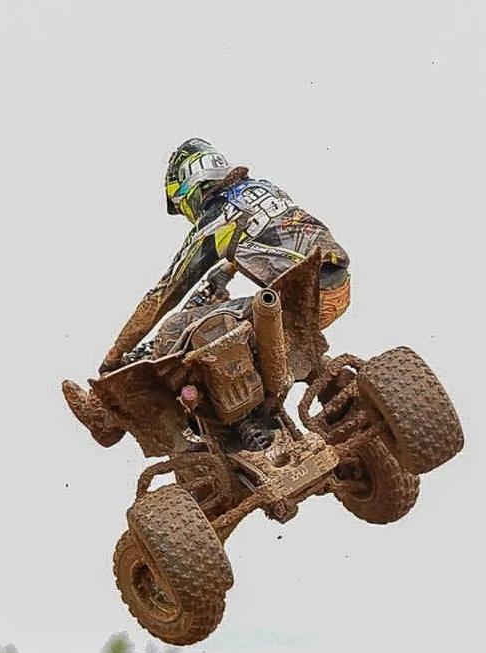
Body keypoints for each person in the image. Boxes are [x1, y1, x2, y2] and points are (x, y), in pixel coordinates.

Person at [63, 138, 351, 447]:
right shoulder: (261, 189)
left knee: (177, 328)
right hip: (332, 287)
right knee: (264, 332)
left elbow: (164, 294)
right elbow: (267, 242)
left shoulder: (218, 218)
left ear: (191, 185)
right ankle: (340, 394)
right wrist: (221, 277)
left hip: (295, 296)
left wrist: (114, 355)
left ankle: (241, 418)